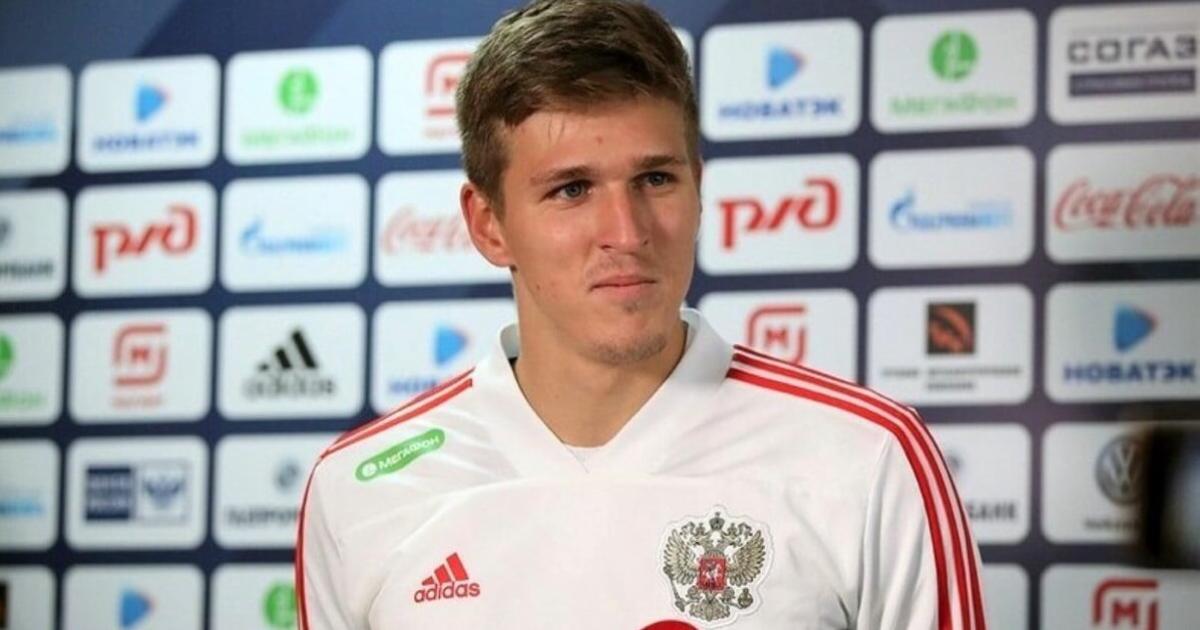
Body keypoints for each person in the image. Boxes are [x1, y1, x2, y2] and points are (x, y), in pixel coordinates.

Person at [296, 1, 986, 628]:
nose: (626, 232)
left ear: (698, 188)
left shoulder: (868, 457)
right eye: (572, 190)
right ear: (488, 225)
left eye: (655, 179)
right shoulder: (359, 488)